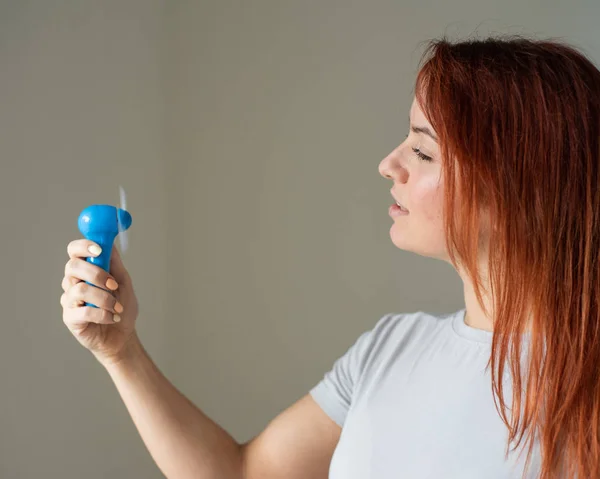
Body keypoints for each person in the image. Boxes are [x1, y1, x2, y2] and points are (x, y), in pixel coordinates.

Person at [59, 35, 600, 479]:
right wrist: (121, 351)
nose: (390, 163)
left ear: (521, 190)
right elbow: (241, 474)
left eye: (423, 149)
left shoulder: (585, 383)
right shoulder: (389, 348)